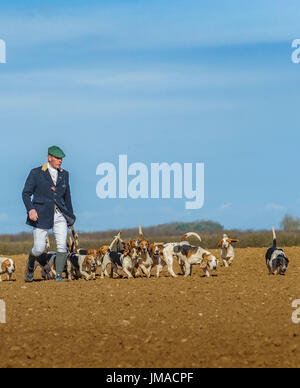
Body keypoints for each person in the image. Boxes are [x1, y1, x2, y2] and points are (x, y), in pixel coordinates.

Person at [22, 146, 76, 282]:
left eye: (61, 158)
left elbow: (67, 197)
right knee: (39, 248)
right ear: (49, 158)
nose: (60, 161)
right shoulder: (36, 173)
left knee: (62, 245)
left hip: (60, 214)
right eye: (57, 158)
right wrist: (31, 209)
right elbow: (25, 193)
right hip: (41, 215)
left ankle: (58, 276)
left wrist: (71, 218)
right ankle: (30, 265)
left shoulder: (65, 174)